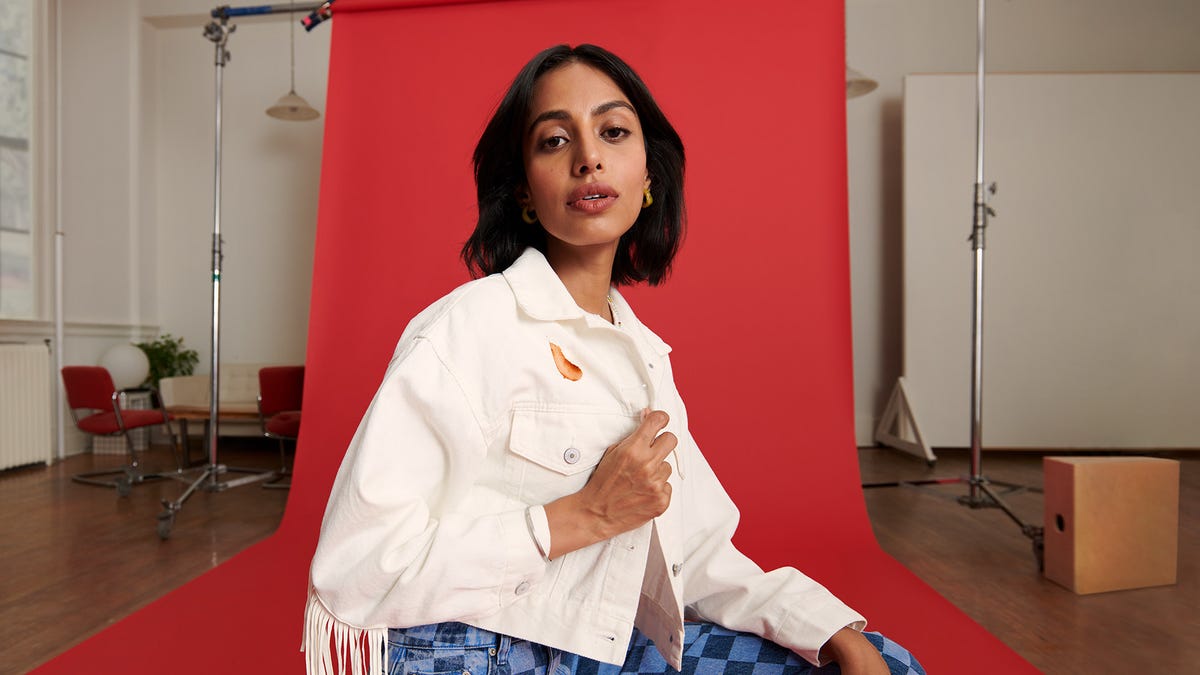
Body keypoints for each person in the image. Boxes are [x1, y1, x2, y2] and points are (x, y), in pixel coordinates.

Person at [304, 44, 924, 675]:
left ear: (648, 175)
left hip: (593, 642)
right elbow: (354, 567)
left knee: (885, 665)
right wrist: (577, 518)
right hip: (470, 651)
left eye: (613, 131)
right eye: (553, 140)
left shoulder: (642, 357)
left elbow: (697, 552)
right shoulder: (466, 329)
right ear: (523, 190)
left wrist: (833, 633)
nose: (588, 157)